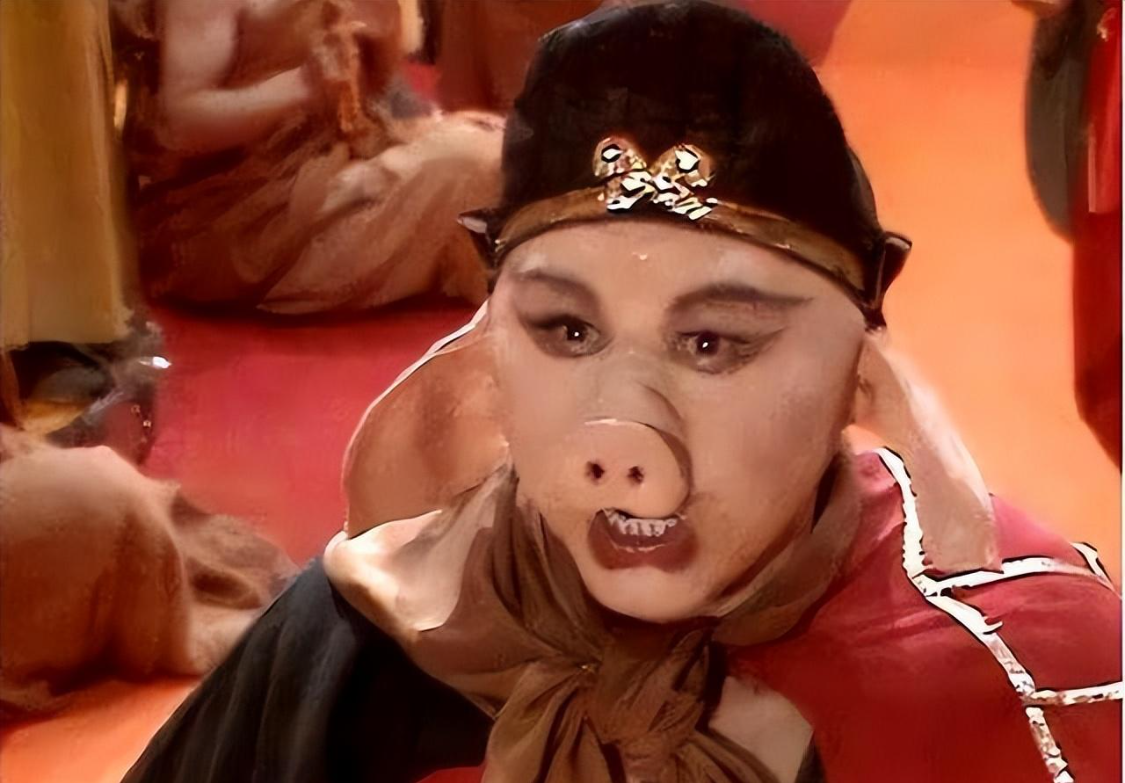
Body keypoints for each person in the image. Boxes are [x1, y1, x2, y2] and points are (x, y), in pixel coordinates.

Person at [123, 3, 1121, 782]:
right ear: (489, 356)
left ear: (858, 377)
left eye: (711, 342)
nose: (623, 429)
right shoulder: (367, 641)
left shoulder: (1020, 671)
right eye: (567, 331)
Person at [112, 0, 502, 314]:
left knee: (501, 150)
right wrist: (299, 87)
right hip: (241, 215)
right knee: (473, 165)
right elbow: (181, 124)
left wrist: (383, 31)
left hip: (335, 162)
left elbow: (370, 89)